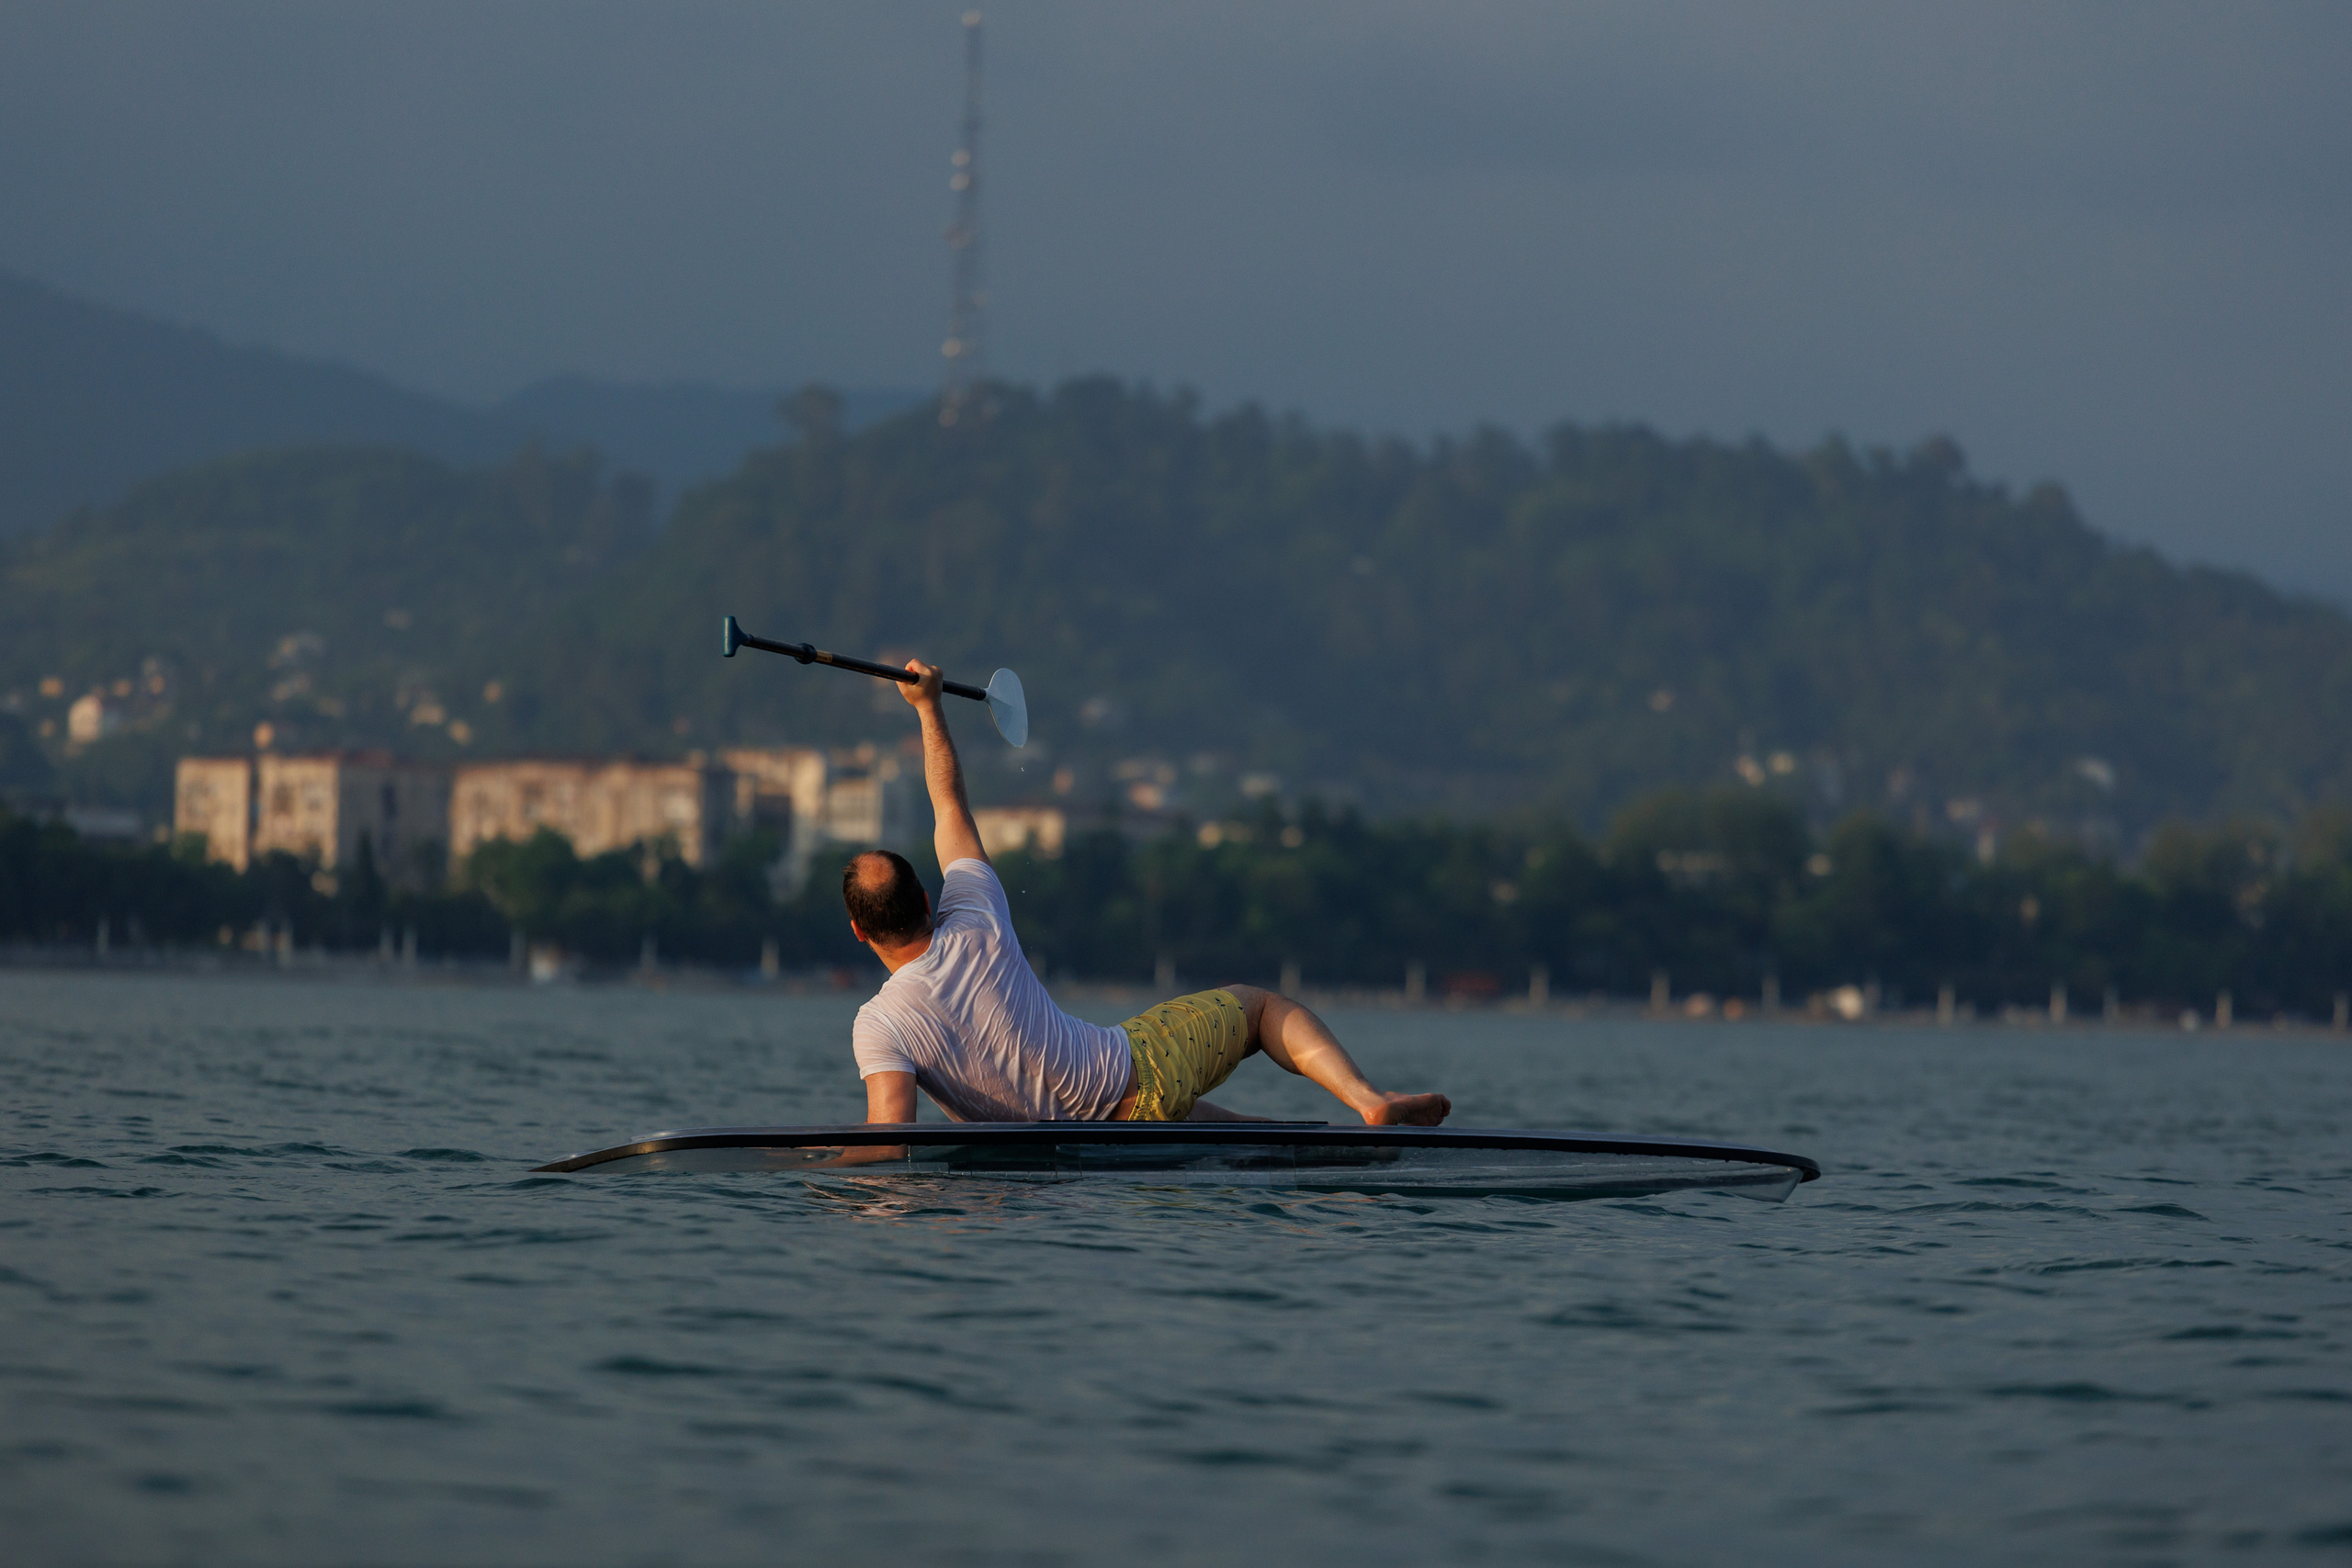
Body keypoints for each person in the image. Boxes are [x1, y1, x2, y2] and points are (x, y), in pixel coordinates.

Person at [844, 659, 1452, 1129]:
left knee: (1179, 1117)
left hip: (1085, 1142)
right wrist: (928, 708)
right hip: (1142, 1069)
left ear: (858, 931)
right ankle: (1367, 1101)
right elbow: (947, 802)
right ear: (927, 900)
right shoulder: (974, 913)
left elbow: (889, 1140)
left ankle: (1291, 1138)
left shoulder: (880, 1024)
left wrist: (818, 1173)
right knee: (1259, 1010)